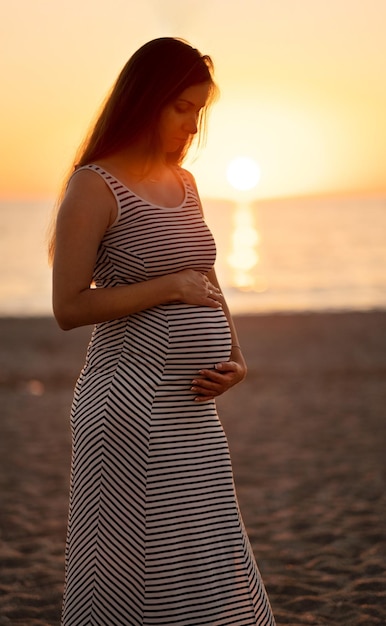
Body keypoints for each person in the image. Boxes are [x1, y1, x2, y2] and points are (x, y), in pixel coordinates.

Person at [51, 37, 275, 626]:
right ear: (146, 100)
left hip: (193, 410)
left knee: (208, 553)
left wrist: (237, 356)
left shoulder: (186, 183)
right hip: (125, 407)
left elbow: (206, 275)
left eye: (200, 111)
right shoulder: (93, 186)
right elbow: (69, 306)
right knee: (130, 565)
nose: (193, 125)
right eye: (182, 108)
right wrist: (168, 289)